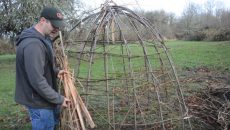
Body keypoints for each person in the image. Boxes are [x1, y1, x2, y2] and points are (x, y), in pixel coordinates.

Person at [15, 7, 70, 130]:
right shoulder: (33, 44)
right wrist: (59, 99)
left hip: (43, 99)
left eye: (59, 26)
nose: (57, 29)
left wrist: (55, 72)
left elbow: (40, 66)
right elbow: (37, 80)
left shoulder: (42, 39)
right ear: (42, 20)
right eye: (54, 25)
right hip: (39, 103)